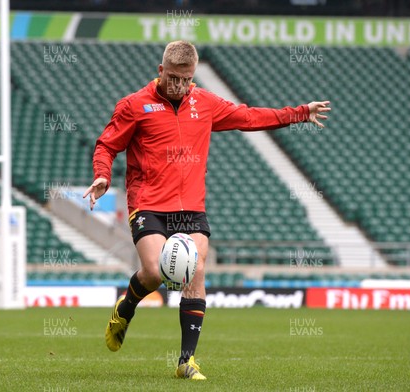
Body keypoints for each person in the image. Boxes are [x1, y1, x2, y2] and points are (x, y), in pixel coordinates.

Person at [83, 40, 330, 380]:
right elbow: (107, 144)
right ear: (160, 71)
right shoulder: (134, 105)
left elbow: (249, 116)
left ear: (193, 75)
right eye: (173, 77)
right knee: (155, 273)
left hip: (191, 208)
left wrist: (299, 113)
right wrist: (101, 175)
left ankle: (186, 361)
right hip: (149, 202)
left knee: (194, 271)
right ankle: (125, 310)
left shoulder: (205, 103)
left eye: (185, 79)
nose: (179, 85)